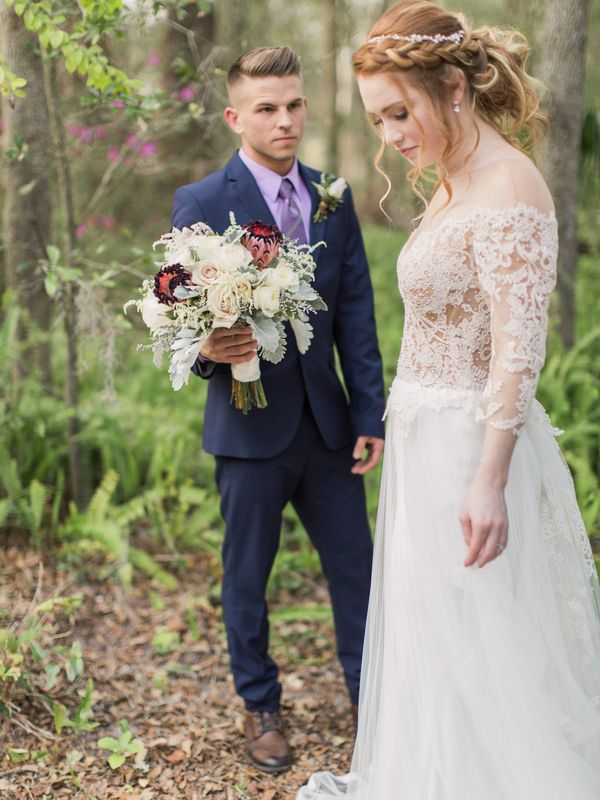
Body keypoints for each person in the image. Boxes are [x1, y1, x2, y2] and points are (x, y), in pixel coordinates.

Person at [297, 1, 600, 797]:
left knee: (489, 644)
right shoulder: (452, 184)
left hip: (475, 450)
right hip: (426, 446)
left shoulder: (509, 184)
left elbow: (517, 347)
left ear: (454, 87)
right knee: (438, 640)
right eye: (377, 118)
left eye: (401, 111)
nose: (391, 135)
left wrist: (491, 479)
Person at [171, 47, 386, 774]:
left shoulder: (335, 194)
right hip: (247, 428)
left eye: (293, 104)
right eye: (267, 107)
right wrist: (211, 347)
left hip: (328, 428)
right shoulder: (201, 201)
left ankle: (373, 700)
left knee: (358, 572)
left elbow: (356, 309)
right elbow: (182, 317)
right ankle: (261, 706)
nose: (285, 119)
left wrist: (369, 415)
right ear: (236, 116)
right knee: (247, 578)